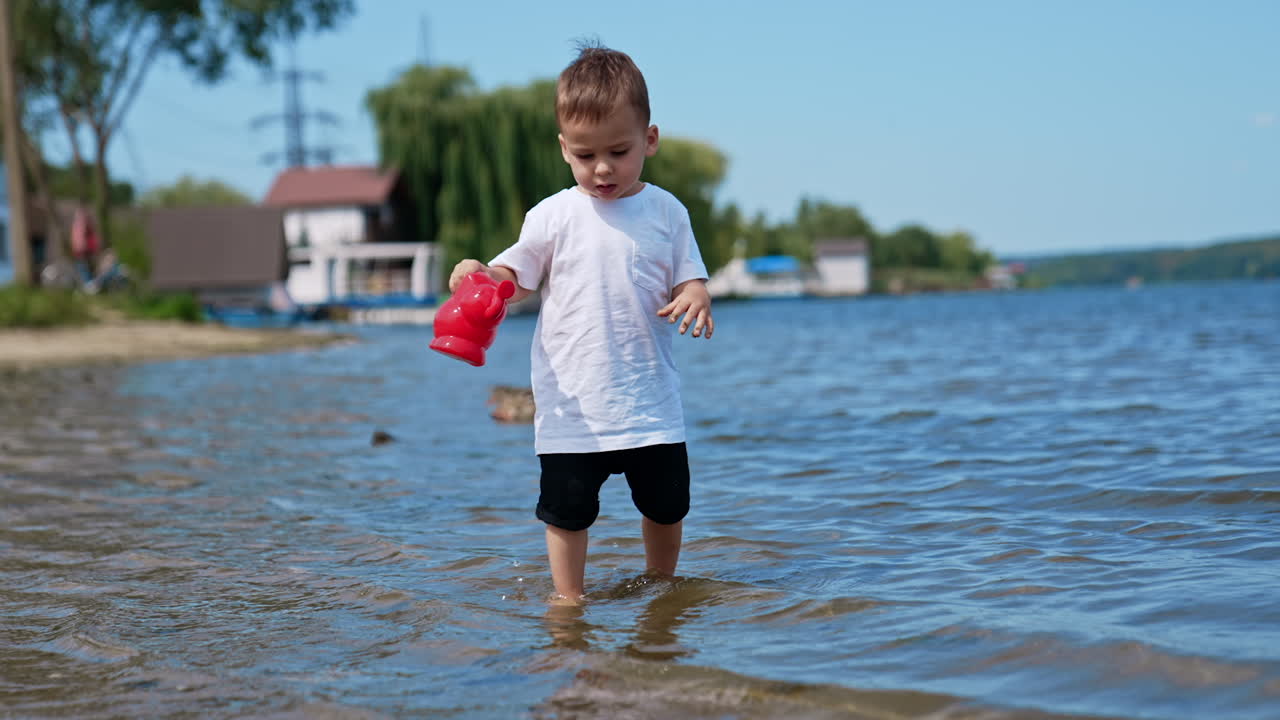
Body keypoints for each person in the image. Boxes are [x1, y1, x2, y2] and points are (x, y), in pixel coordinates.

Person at [447, 43, 715, 603]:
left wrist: (694, 294)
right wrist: (482, 274)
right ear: (564, 148)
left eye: (618, 151)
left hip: (649, 405)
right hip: (573, 407)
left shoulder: (667, 212)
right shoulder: (553, 215)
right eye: (585, 154)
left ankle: (662, 585)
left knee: (667, 505)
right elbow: (514, 276)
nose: (601, 169)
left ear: (650, 139)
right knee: (566, 513)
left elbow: (689, 276)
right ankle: (568, 599)